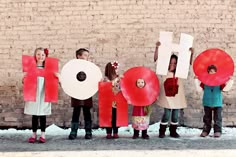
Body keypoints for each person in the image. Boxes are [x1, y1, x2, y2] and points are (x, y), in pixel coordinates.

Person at [154, 41, 194, 138]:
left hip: (177, 95)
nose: (172, 64)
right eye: (170, 62)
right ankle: (162, 131)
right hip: (167, 95)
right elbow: (156, 59)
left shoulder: (179, 73)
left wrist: (191, 53)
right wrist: (157, 48)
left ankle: (173, 131)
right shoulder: (164, 71)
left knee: (175, 115)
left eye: (175, 63)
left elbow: (188, 63)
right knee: (167, 114)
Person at [194, 65, 234, 138]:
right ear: (208, 72)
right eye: (210, 71)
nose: (212, 73)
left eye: (213, 71)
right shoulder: (205, 81)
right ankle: (206, 130)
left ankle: (217, 131)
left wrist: (230, 81)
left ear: (216, 72)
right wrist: (196, 80)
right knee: (207, 118)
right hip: (207, 102)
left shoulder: (219, 81)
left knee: (217, 118)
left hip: (217, 102)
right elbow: (199, 89)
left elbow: (225, 89)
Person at [23, 48, 53, 143]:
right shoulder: (31, 67)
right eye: (38, 54)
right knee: (34, 114)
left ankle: (43, 134)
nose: (40, 56)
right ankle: (34, 134)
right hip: (34, 91)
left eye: (43, 55)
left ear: (45, 57)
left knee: (42, 113)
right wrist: (24, 79)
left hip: (44, 91)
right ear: (35, 56)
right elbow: (25, 80)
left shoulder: (48, 68)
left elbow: (54, 78)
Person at [68, 48, 93, 140]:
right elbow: (70, 77)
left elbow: (93, 77)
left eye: (87, 56)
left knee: (87, 112)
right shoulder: (73, 67)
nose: (86, 57)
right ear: (78, 56)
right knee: (76, 111)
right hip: (76, 91)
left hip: (87, 91)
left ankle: (88, 131)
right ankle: (73, 131)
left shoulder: (90, 67)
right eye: (84, 55)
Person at [103, 61, 120, 139]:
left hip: (116, 102)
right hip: (108, 101)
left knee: (115, 117)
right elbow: (109, 85)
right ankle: (109, 132)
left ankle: (115, 132)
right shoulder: (106, 79)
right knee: (108, 117)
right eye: (115, 69)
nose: (116, 70)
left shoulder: (118, 78)